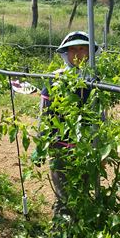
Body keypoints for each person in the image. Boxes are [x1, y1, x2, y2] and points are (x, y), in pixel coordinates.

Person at [39, 31, 96, 218]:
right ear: (66, 53)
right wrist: (43, 142)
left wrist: (99, 146)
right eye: (73, 49)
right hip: (60, 147)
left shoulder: (94, 81)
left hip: (86, 148)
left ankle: (80, 236)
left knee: (82, 193)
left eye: (82, 49)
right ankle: (59, 235)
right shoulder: (55, 78)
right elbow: (45, 113)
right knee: (63, 195)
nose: (78, 54)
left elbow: (100, 117)